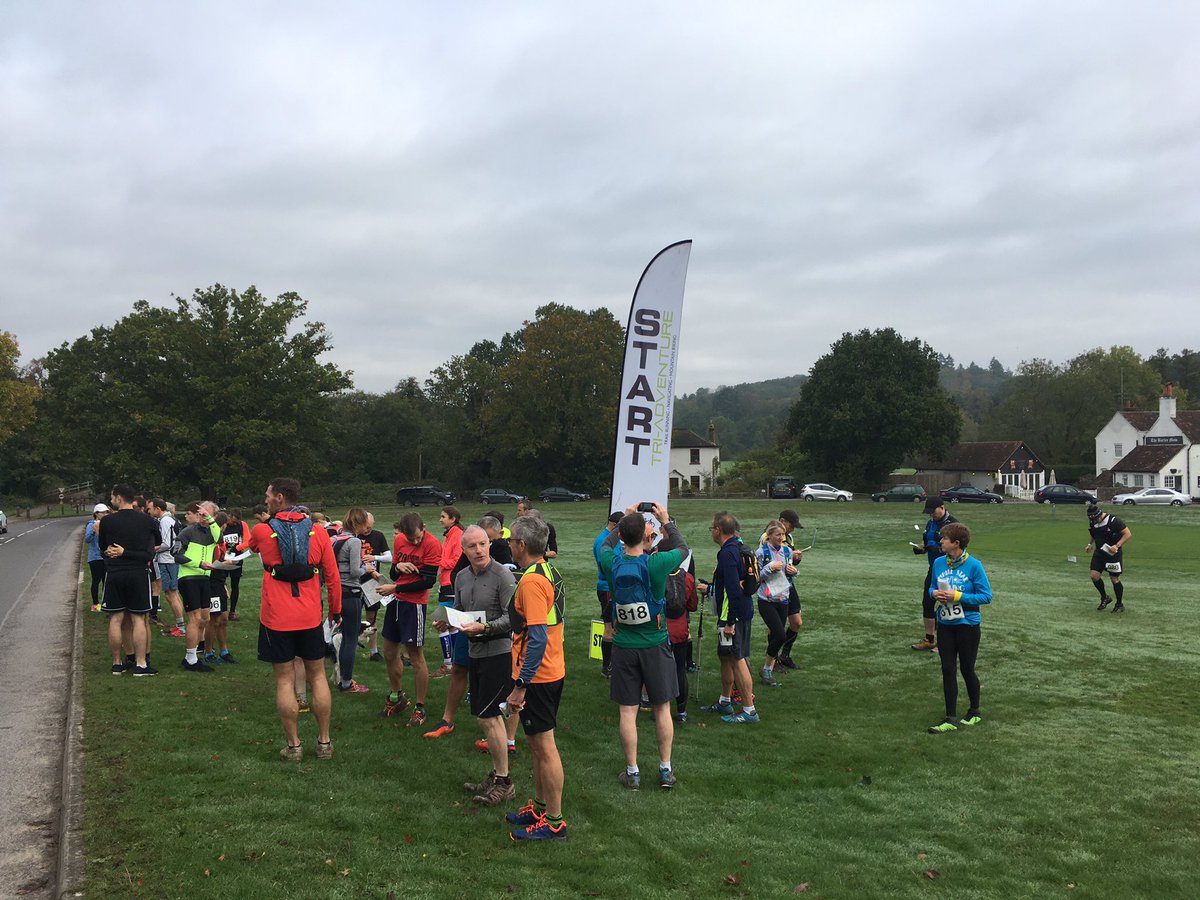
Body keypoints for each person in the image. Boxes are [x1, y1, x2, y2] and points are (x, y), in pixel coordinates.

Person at [250, 478, 342, 761]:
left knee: (284, 680)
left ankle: (294, 746)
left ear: (278, 497)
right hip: (310, 615)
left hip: (276, 617)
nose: (265, 499)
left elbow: (252, 547)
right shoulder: (318, 531)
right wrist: (335, 610)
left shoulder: (262, 530)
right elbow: (333, 576)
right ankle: (324, 742)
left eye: (268, 495)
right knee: (317, 675)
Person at [600, 502, 688, 789]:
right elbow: (682, 549)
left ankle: (633, 771)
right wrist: (666, 521)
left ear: (623, 537)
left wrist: (624, 521)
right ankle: (665, 769)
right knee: (662, 708)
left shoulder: (611, 562)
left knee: (628, 711)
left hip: (624, 644)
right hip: (655, 643)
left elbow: (604, 544)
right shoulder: (656, 563)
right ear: (646, 536)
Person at [436, 525, 518, 804]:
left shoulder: (502, 575)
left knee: (489, 716)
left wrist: (483, 629)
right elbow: (461, 611)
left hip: (498, 653)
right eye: (472, 546)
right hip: (474, 652)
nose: (479, 550)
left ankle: (505, 781)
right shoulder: (460, 577)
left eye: (483, 544)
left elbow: (515, 618)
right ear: (464, 550)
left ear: (490, 544)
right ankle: (496, 775)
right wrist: (446, 619)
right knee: (485, 718)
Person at [503, 515, 568, 841]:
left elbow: (538, 636)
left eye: (512, 540)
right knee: (536, 745)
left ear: (522, 545)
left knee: (545, 747)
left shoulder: (530, 582)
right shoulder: (547, 571)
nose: (509, 544)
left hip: (539, 677)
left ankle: (554, 821)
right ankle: (541, 806)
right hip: (551, 670)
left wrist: (521, 685)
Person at [376, 512, 442, 728]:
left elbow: (428, 582)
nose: (415, 541)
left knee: (415, 656)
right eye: (410, 538)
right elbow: (395, 573)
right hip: (396, 601)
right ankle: (398, 696)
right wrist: (397, 568)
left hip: (414, 604)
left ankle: (420, 706)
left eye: (417, 537)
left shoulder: (432, 545)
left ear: (423, 527)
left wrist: (395, 587)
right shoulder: (399, 540)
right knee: (389, 652)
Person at [927, 523, 992, 733]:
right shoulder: (938, 563)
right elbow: (931, 586)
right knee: (947, 669)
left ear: (956, 543)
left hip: (968, 625)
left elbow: (986, 596)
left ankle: (974, 711)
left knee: (966, 668)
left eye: (944, 539)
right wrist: (933, 594)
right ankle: (950, 718)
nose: (940, 542)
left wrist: (958, 596)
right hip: (945, 624)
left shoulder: (974, 565)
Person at [97, 484, 160, 676]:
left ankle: (117, 662)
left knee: (115, 618)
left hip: (115, 573)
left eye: (112, 497)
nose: (111, 501)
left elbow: (103, 547)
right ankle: (140, 664)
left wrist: (116, 552)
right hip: (138, 573)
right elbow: (153, 549)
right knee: (138, 618)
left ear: (118, 498)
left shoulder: (107, 522)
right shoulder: (147, 521)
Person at [704, 512, 757, 723]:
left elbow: (734, 589)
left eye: (711, 528)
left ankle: (749, 710)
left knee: (737, 658)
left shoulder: (728, 553)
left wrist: (730, 621)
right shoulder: (739, 548)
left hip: (732, 614)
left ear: (718, 529)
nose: (711, 532)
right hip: (735, 612)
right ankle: (725, 702)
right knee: (725, 656)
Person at [173, 503, 222, 672]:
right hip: (188, 578)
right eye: (200, 515)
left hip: (204, 578)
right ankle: (191, 659)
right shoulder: (187, 532)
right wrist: (199, 563)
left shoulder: (212, 532)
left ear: (214, 517)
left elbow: (219, 538)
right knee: (194, 618)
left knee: (205, 618)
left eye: (207, 515)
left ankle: (192, 654)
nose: (203, 518)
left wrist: (210, 520)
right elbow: (176, 554)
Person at [331, 507, 374, 694]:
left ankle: (341, 678)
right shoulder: (354, 541)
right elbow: (356, 571)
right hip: (351, 593)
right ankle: (347, 683)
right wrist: (368, 568)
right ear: (359, 522)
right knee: (350, 639)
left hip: (336, 592)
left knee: (340, 635)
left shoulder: (334, 539)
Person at [911, 498, 958, 652]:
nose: (931, 515)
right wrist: (921, 548)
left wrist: (937, 549)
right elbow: (926, 542)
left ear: (942, 508)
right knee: (927, 602)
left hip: (949, 569)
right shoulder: (931, 523)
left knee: (947, 604)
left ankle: (946, 643)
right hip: (933, 569)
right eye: (929, 513)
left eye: (933, 511)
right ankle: (929, 639)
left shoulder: (953, 524)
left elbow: (956, 548)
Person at [755, 521, 798, 686]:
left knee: (776, 636)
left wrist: (795, 571)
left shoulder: (788, 551)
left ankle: (767, 671)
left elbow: (790, 573)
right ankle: (767, 668)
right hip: (767, 600)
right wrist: (769, 568)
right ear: (769, 536)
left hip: (783, 598)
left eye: (783, 535)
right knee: (780, 634)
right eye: (778, 535)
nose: (781, 538)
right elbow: (756, 577)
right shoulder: (761, 552)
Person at [433, 506, 465, 679]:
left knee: (441, 623)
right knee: (451, 624)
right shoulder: (450, 534)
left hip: (451, 584)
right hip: (446, 583)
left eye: (443, 516)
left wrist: (439, 562)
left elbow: (456, 560)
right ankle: (453, 662)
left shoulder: (458, 535)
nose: (440, 519)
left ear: (453, 519)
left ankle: (448, 664)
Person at [149, 499, 186, 637]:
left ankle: (181, 628)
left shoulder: (165, 521)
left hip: (168, 560)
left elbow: (166, 543)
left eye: (151, 509)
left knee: (171, 593)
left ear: (158, 509)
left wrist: (151, 549)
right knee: (171, 593)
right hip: (170, 560)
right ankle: (179, 625)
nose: (150, 512)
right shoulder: (171, 519)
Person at [1086, 503, 1132, 612]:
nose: (1093, 521)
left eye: (1095, 519)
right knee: (1094, 576)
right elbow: (1093, 534)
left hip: (1113, 554)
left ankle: (1119, 604)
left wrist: (1117, 545)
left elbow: (1128, 534)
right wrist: (1089, 544)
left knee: (1114, 579)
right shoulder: (1093, 522)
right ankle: (1104, 597)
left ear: (1100, 515)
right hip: (1099, 553)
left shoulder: (1113, 520)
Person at [593, 511, 622, 678]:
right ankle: (607, 667)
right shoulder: (602, 541)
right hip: (606, 589)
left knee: (616, 627)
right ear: (615, 525)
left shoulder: (614, 538)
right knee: (609, 628)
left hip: (614, 588)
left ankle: (613, 665)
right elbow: (605, 566)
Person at [775, 509, 805, 668]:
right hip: (775, 585)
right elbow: (766, 560)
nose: (792, 529)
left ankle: (784, 655)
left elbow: (790, 563)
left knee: (796, 622)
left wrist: (796, 560)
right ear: (782, 521)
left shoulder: (790, 537)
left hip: (788, 583)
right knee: (776, 625)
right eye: (791, 525)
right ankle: (771, 661)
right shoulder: (768, 537)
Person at [221, 508, 251, 621]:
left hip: (237, 558)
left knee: (235, 584)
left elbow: (248, 541)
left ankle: (232, 611)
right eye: (232, 522)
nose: (234, 524)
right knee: (221, 583)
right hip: (223, 558)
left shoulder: (243, 525)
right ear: (228, 516)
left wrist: (238, 547)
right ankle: (221, 610)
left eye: (236, 523)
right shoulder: (223, 525)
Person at [85, 504, 109, 612]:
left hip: (105, 556)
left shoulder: (107, 524)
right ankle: (95, 604)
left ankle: (105, 602)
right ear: (96, 514)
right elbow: (87, 539)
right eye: (102, 512)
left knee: (106, 580)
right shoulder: (91, 524)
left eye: (106, 512)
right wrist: (94, 530)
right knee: (96, 580)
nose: (105, 514)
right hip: (95, 557)